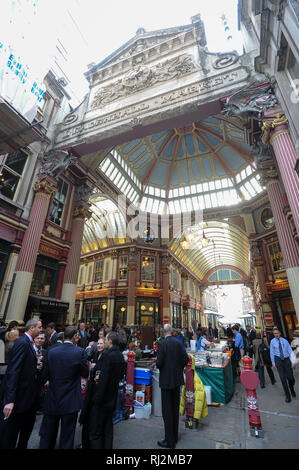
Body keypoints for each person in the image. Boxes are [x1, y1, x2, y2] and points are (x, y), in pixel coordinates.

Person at [39, 326, 89, 449]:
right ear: (74, 337)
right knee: (67, 435)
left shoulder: (51, 351)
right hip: (70, 398)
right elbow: (85, 373)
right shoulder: (79, 352)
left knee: (48, 434)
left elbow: (44, 375)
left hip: (53, 396)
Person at [0, 319, 43, 449]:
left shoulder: (27, 343)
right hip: (16, 399)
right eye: (39, 327)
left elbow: (23, 368)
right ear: (32, 328)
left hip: (24, 399)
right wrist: (10, 400)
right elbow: (14, 371)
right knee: (9, 436)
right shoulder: (22, 342)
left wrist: (35, 367)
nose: (41, 330)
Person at [87, 331, 126, 449]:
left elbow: (104, 380)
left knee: (96, 430)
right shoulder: (120, 355)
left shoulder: (108, 355)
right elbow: (120, 375)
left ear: (110, 341)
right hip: (112, 396)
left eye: (106, 340)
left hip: (103, 398)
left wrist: (97, 398)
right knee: (108, 429)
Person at [156, 324, 189, 449]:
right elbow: (186, 360)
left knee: (167, 411)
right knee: (175, 409)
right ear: (171, 331)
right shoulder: (178, 343)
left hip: (166, 381)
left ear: (164, 332)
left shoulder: (162, 344)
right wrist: (178, 368)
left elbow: (159, 363)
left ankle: (169, 441)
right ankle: (174, 436)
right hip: (177, 380)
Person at [80, 337, 107, 448]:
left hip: (96, 391)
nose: (99, 345)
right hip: (91, 390)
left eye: (101, 344)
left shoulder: (105, 357)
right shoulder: (96, 355)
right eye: (98, 344)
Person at [270, 327, 296, 403]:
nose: (276, 335)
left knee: (291, 378)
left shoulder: (285, 341)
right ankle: (287, 396)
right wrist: (273, 363)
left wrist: (293, 362)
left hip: (286, 360)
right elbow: (272, 352)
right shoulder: (272, 342)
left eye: (277, 333)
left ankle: (291, 389)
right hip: (278, 360)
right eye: (274, 334)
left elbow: (290, 351)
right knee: (283, 378)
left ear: (280, 333)